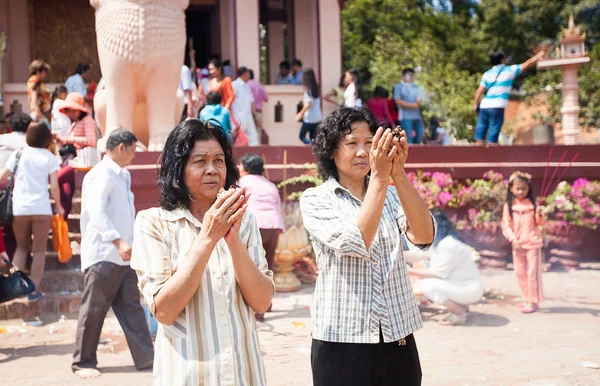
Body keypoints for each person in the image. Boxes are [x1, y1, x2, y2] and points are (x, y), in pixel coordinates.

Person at [130, 119, 274, 385]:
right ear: (178, 169)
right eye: (199, 162)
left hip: (244, 374)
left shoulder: (245, 222)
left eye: (219, 161)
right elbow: (164, 311)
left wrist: (232, 240)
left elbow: (262, 302)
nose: (212, 170)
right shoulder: (154, 224)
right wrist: (209, 236)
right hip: (188, 377)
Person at [300, 107, 435, 386]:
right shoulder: (316, 199)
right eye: (352, 143)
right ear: (331, 151)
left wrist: (397, 174)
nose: (363, 152)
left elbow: (424, 236)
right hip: (341, 339)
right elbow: (356, 241)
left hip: (397, 334)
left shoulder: (392, 193)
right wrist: (380, 178)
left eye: (370, 143)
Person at [71, 128, 153, 379]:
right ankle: (83, 362)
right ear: (121, 148)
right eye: (133, 150)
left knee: (132, 308)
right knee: (94, 309)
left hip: (123, 256)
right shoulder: (102, 175)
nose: (134, 156)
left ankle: (147, 358)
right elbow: (96, 213)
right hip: (104, 254)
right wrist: (117, 241)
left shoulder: (121, 175)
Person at [0, 122, 64, 301]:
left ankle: (17, 288)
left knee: (21, 247)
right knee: (39, 251)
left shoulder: (19, 154)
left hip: (19, 209)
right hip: (41, 209)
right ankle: (34, 290)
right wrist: (58, 205)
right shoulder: (49, 157)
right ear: (46, 138)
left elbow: (2, 176)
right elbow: (54, 186)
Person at [406, 209, 484, 325]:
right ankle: (460, 305)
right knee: (428, 283)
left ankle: (459, 312)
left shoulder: (447, 245)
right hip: (462, 285)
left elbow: (436, 274)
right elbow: (420, 255)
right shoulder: (442, 241)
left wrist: (409, 270)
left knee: (427, 285)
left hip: (469, 289)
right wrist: (396, 255)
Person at [237, 153, 285, 320]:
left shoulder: (241, 183)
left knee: (251, 267)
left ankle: (256, 309)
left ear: (245, 168)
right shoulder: (271, 185)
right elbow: (278, 207)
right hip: (273, 227)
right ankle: (266, 305)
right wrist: (281, 227)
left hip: (254, 226)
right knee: (268, 267)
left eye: (240, 166)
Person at [473, 50, 545, 145]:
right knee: (493, 134)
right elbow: (526, 65)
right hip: (497, 105)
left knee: (480, 134)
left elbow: (479, 91)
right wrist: (537, 57)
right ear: (502, 59)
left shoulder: (487, 74)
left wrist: (475, 105)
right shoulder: (509, 70)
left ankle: (478, 156)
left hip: (484, 105)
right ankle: (491, 157)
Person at [501, 171, 545, 314]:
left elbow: (539, 224)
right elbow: (506, 225)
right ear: (511, 189)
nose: (520, 191)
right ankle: (526, 298)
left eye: (524, 189)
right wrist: (512, 239)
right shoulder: (509, 206)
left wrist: (540, 214)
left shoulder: (533, 204)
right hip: (518, 243)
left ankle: (533, 301)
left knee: (533, 273)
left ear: (529, 189)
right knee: (520, 272)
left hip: (533, 243)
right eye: (517, 188)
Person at [394, 68, 424, 144]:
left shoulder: (416, 86)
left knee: (420, 135)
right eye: (410, 75)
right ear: (404, 76)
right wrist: (412, 105)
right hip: (405, 117)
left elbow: (420, 97)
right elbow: (398, 101)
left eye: (412, 75)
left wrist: (419, 100)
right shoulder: (399, 87)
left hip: (417, 116)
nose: (411, 77)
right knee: (408, 139)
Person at [232, 66, 259, 146]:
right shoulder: (234, 85)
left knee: (253, 136)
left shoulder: (247, 86)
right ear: (244, 74)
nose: (249, 76)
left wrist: (254, 115)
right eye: (248, 74)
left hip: (248, 115)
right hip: (238, 115)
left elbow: (251, 101)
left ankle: (255, 156)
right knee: (238, 137)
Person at [296, 69, 322, 145]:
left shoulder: (308, 89)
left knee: (302, 136)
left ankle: (311, 145)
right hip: (317, 117)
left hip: (309, 118)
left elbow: (308, 104)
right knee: (313, 137)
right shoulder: (316, 88)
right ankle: (313, 147)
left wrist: (300, 114)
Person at [247, 69, 268, 141]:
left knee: (248, 132)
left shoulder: (246, 85)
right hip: (258, 112)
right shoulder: (259, 85)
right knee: (258, 131)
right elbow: (266, 99)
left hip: (249, 112)